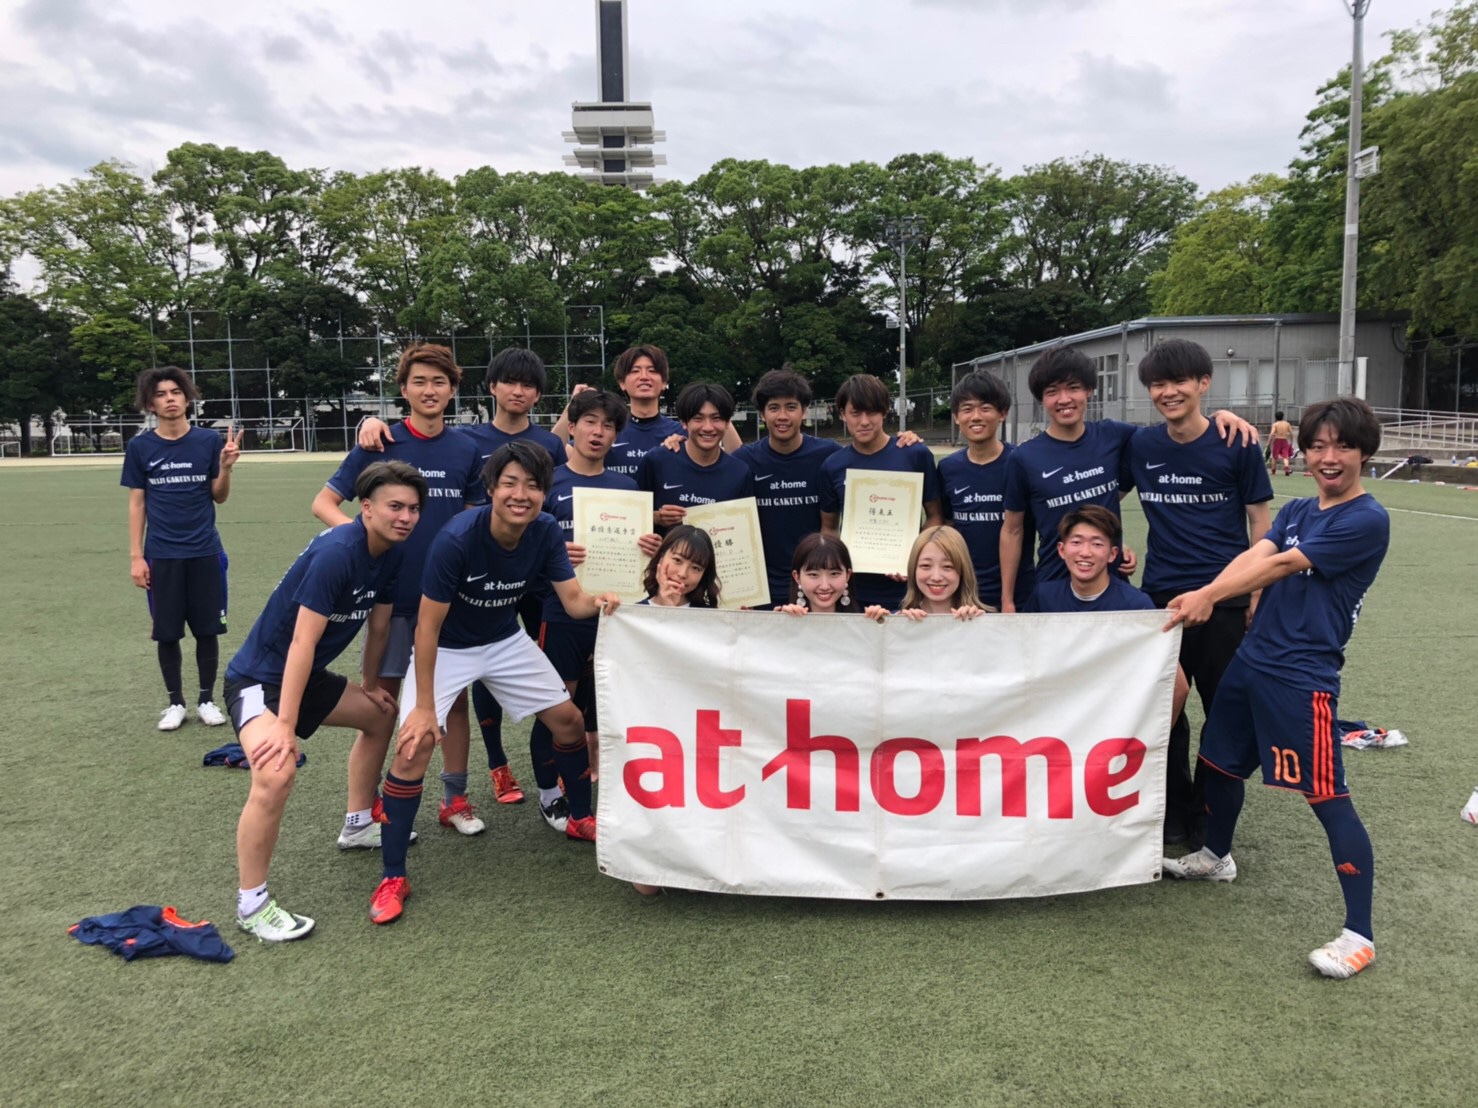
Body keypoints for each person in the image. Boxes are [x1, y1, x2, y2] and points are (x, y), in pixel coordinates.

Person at [1161, 397, 1390, 980]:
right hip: (1252, 659)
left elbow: (1283, 565)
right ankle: (1216, 855)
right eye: (1317, 446)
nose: (1328, 457)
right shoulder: (1295, 508)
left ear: (1365, 452)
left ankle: (1358, 933)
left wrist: (1209, 598)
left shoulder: (1366, 518)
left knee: (1327, 798)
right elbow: (1255, 553)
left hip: (1302, 677)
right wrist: (1208, 591)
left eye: (1342, 446)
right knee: (1218, 763)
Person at [385, 443, 622, 925]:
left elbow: (573, 600)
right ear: (491, 489)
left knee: (569, 720)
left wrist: (606, 601)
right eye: (510, 483)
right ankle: (393, 875)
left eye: (533, 485)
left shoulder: (546, 530)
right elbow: (426, 629)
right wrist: (425, 708)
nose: (522, 494)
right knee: (414, 746)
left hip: (504, 640)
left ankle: (579, 817)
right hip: (447, 647)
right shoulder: (457, 540)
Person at [359, 346, 567, 811]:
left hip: (516, 583)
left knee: (516, 673)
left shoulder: (548, 445)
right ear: (488, 387)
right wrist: (370, 424)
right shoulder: (469, 439)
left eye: (528, 383)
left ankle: (527, 788)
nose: (518, 390)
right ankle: (373, 803)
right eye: (508, 381)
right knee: (399, 701)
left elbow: (560, 496)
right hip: (432, 589)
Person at [226, 461, 426, 941]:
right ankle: (251, 904)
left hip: (307, 676)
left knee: (380, 717)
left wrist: (371, 682)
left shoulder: (394, 552)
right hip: (259, 680)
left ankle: (358, 823)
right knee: (276, 773)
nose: (405, 517)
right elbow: (301, 642)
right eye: (395, 506)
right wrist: (283, 725)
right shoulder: (338, 552)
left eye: (414, 509)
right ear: (367, 508)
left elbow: (378, 626)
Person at [312, 343, 486, 846]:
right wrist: (365, 541)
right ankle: (358, 819)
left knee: (452, 703)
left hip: (448, 601)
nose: (429, 391)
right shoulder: (379, 441)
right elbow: (324, 502)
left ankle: (453, 800)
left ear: (453, 389)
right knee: (381, 706)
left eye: (439, 382)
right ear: (403, 389)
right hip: (391, 601)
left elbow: (475, 519)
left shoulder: (466, 449)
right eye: (419, 382)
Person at [1124, 339, 1273, 847]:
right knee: (1166, 706)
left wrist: (1256, 590)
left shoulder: (1238, 443)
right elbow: (1095, 480)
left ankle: (1213, 814)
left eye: (1179, 382)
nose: (1169, 392)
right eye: (1158, 384)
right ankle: (1175, 809)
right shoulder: (1141, 445)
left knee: (1223, 711)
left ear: (1203, 384)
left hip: (1225, 598)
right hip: (1161, 599)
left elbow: (1260, 520)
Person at [999, 348, 1254, 613]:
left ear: (1089, 390)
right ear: (1042, 399)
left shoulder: (1115, 436)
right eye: (1052, 392)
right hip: (1055, 584)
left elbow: (1175, 429)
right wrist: (1008, 599)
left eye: (1073, 388)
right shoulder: (1024, 457)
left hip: (1110, 582)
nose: (1064, 399)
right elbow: (1013, 530)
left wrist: (1218, 417)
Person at [537, 388, 660, 816]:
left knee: (612, 700)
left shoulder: (627, 488)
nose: (598, 431)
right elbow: (525, 548)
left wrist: (651, 544)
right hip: (562, 613)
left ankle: (610, 782)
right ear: (571, 427)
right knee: (557, 705)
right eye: (590, 421)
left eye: (608, 425)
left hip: (616, 614)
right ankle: (549, 793)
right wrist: (551, 554)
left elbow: (647, 560)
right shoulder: (549, 482)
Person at [121, 366, 240, 731]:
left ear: (187, 397)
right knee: (167, 631)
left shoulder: (207, 442)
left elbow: (218, 497)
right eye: (160, 394)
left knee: (208, 630)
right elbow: (137, 503)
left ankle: (206, 699)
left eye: (176, 392)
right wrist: (137, 557)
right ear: (150, 403)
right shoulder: (141, 447)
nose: (170, 399)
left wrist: (225, 467)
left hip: (205, 552)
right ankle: (175, 703)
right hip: (162, 556)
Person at [819, 373, 943, 609]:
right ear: (843, 414)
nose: (864, 421)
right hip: (854, 588)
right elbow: (829, 527)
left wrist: (913, 557)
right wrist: (840, 568)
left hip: (909, 586)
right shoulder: (832, 466)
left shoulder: (914, 454)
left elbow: (935, 517)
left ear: (885, 412)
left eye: (872, 412)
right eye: (855, 413)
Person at [734, 369, 842, 608]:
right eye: (774, 408)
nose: (782, 416)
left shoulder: (831, 456)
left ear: (804, 411)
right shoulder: (744, 461)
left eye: (791, 407)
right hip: (759, 588)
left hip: (816, 586)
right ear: (762, 413)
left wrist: (903, 443)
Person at [938, 370, 1035, 611]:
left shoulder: (1021, 462)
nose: (976, 416)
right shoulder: (948, 468)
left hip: (1018, 595)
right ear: (956, 417)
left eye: (986, 408)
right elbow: (944, 524)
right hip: (962, 593)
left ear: (1002, 413)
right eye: (967, 409)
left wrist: (1008, 599)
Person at [552, 345, 686, 480]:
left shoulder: (680, 434)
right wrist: (573, 406)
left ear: (664, 382)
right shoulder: (607, 429)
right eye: (635, 371)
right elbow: (552, 454)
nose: (644, 377)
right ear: (622, 382)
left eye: (652, 371)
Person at [638, 383, 755, 534]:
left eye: (716, 418)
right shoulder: (656, 461)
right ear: (684, 423)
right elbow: (632, 517)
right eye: (698, 418)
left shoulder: (739, 472)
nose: (708, 427)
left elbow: (743, 532)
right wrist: (656, 518)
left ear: (727, 423)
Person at [895, 525, 988, 621]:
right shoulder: (898, 620)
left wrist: (980, 624)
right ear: (913, 569)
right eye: (926, 566)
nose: (936, 577)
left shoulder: (983, 621)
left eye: (947, 567)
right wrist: (883, 624)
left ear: (963, 571)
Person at [640, 525, 721, 609]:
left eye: (695, 568)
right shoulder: (633, 614)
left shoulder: (710, 617)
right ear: (661, 557)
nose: (683, 574)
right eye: (677, 560)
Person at [777, 532, 856, 616]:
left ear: (848, 575)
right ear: (797, 577)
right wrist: (777, 623)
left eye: (834, 573)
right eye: (813, 574)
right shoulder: (783, 621)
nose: (824, 586)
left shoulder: (863, 624)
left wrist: (871, 623)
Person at [1269, 410, 1295, 477]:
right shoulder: (1287, 424)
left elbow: (1272, 434)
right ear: (1283, 416)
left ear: (1276, 417)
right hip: (1284, 440)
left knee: (1274, 457)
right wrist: (1291, 441)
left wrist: (1268, 442)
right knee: (1285, 456)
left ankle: (1273, 471)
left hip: (1277, 440)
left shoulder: (1275, 424)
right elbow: (1291, 433)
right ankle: (1286, 468)